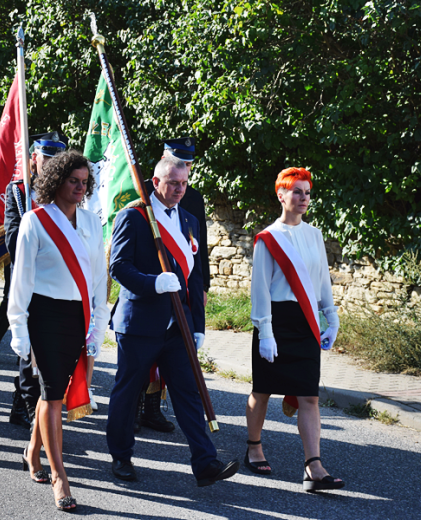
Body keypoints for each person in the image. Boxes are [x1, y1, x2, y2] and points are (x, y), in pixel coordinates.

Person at [106, 154, 239, 486]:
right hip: (140, 322)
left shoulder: (189, 221)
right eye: (173, 183)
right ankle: (121, 456)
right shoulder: (135, 216)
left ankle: (205, 462)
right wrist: (153, 282)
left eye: (184, 183)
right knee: (129, 391)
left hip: (178, 325)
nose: (180, 189)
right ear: (155, 183)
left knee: (188, 392)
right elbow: (119, 267)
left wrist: (197, 326)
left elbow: (194, 279)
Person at [8, 150, 108, 511]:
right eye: (73, 181)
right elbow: (22, 279)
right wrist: (18, 326)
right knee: (52, 394)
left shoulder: (93, 223)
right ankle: (59, 476)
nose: (80, 188)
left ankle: (32, 451)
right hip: (45, 316)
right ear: (57, 181)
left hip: (79, 315)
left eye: (84, 182)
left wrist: (99, 320)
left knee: (55, 393)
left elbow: (99, 277)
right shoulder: (35, 222)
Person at [246, 167, 344, 492]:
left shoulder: (315, 234)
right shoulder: (267, 238)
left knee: (310, 397)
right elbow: (259, 289)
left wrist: (331, 316)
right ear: (281, 195)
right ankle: (254, 446)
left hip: (305, 323)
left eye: (307, 192)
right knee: (262, 391)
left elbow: (321, 281)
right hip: (276, 320)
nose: (303, 198)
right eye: (297, 191)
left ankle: (313, 467)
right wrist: (265, 331)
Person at [0, 131, 70, 431]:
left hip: (60, 284)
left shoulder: (69, 193)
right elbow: (11, 237)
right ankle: (35, 414)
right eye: (46, 157)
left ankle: (20, 405)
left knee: (48, 351)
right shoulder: (19, 191)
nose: (51, 164)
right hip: (29, 279)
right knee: (33, 350)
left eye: (57, 158)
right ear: (33, 158)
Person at [139, 137, 210, 433]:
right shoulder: (142, 189)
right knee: (142, 361)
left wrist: (203, 286)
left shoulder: (192, 198)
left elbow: (198, 248)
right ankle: (134, 409)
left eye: (189, 165)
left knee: (171, 362)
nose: (184, 171)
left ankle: (153, 409)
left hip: (181, 290)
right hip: (149, 286)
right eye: (179, 162)